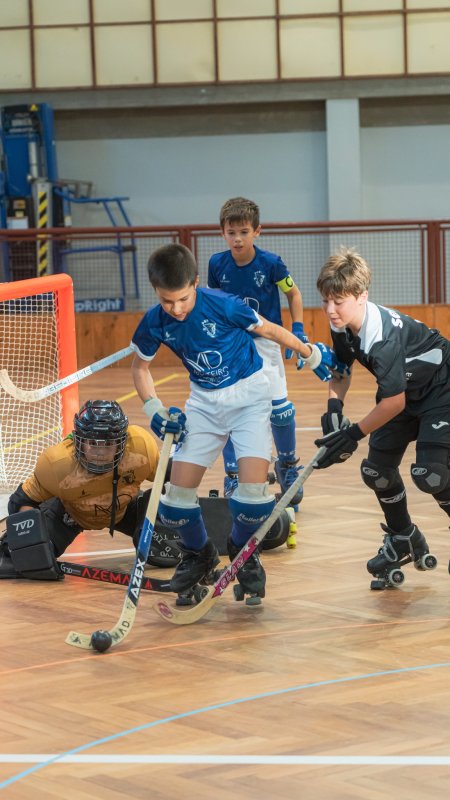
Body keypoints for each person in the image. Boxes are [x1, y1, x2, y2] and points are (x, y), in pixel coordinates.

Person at [131, 242, 339, 602]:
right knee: (174, 503)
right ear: (156, 292)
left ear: (196, 283)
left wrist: (310, 353)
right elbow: (140, 368)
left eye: (183, 299)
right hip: (203, 405)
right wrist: (154, 409)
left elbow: (270, 330)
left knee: (254, 501)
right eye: (167, 301)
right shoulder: (154, 321)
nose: (176, 309)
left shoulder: (224, 305)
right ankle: (199, 556)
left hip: (250, 400)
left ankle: (243, 552)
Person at [314, 247, 449, 587]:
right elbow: (342, 369)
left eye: (338, 301)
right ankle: (403, 537)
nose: (330, 310)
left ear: (362, 296)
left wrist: (352, 434)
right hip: (404, 388)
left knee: (430, 475)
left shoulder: (382, 338)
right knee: (376, 471)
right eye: (326, 301)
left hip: (440, 390)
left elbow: (393, 403)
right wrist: (334, 407)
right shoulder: (341, 323)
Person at [0, 400, 178, 580]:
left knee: (169, 548)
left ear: (122, 442)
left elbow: (172, 478)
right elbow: (21, 501)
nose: (100, 452)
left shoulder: (140, 447)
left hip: (125, 507)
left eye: (108, 444)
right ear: (78, 440)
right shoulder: (57, 464)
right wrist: (31, 541)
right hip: (69, 514)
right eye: (92, 443)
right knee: (25, 558)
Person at [208, 196, 311, 506]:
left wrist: (297, 330)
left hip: (266, 342)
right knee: (230, 407)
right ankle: (234, 474)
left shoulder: (271, 263)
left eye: (244, 232)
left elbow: (293, 294)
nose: (238, 239)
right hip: (231, 345)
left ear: (257, 231)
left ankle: (287, 466)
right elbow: (213, 302)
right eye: (231, 233)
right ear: (222, 233)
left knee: (280, 410)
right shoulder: (217, 264)